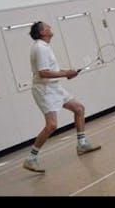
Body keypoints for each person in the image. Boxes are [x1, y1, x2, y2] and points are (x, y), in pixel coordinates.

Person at [23, 21, 101, 173]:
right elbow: (43, 73)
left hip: (54, 87)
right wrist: (66, 74)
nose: (50, 27)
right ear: (42, 32)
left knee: (79, 109)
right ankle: (31, 159)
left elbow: (52, 70)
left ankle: (82, 144)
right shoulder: (39, 47)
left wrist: (67, 73)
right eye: (47, 27)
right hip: (44, 90)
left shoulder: (45, 46)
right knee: (51, 125)